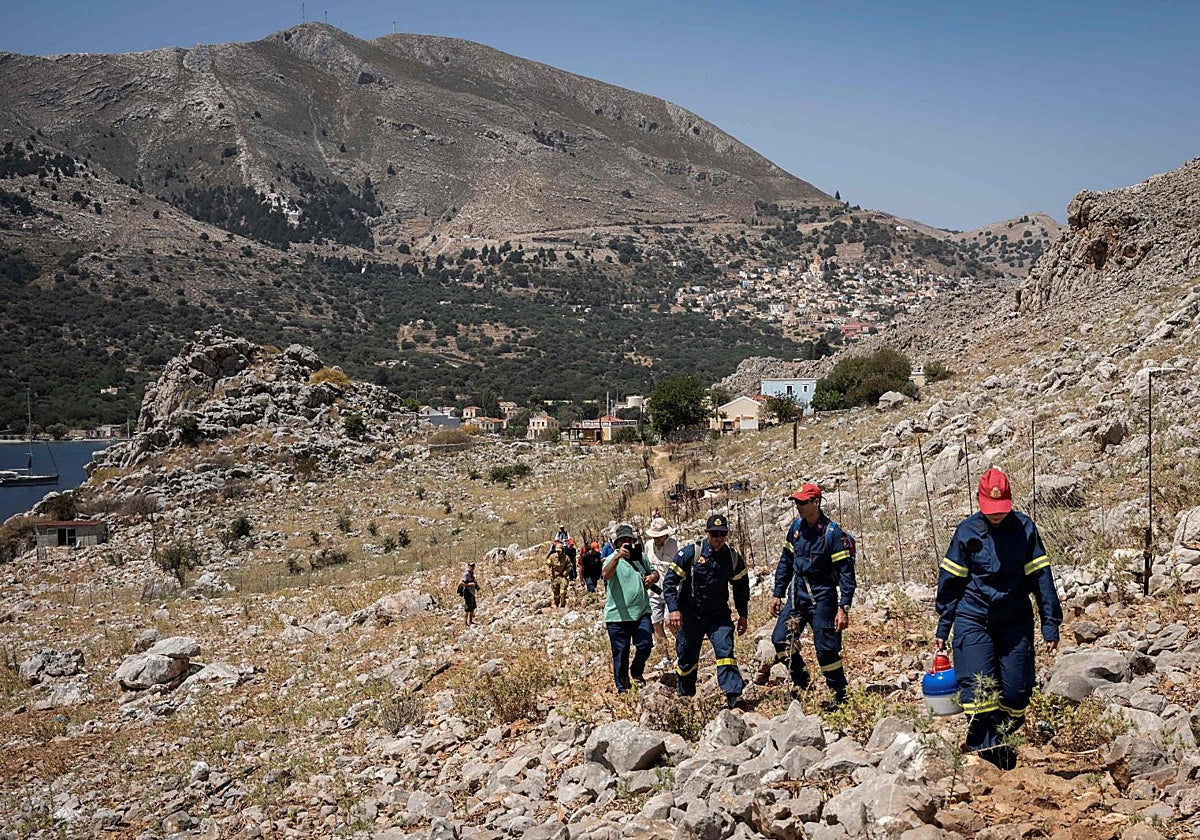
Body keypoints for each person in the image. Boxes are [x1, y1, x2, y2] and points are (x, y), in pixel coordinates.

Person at [936, 467, 1062, 770]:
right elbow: (950, 584)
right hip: (973, 618)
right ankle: (988, 753)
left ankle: (1002, 734)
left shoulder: (1025, 529)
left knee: (1017, 693)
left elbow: (1041, 578)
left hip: (1014, 619)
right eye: (990, 510)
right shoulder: (967, 532)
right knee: (979, 691)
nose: (996, 515)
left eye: (1001, 509)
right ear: (979, 502)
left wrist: (1050, 623)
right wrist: (944, 626)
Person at [768, 483, 857, 707]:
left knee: (826, 651)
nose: (797, 506)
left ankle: (840, 697)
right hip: (797, 596)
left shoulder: (832, 534)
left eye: (802, 502)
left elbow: (847, 573)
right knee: (780, 639)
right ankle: (802, 684)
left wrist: (843, 606)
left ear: (815, 502)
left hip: (822, 597)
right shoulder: (796, 528)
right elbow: (786, 561)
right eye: (796, 502)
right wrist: (778, 593)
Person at [664, 514, 750, 709]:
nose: (719, 538)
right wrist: (674, 610)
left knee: (725, 650)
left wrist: (743, 614)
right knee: (687, 656)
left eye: (722, 534)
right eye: (714, 534)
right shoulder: (691, 554)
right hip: (690, 615)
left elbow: (741, 587)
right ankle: (685, 695)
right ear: (707, 533)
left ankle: (734, 694)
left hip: (717, 615)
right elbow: (669, 582)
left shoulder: (733, 558)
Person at [602, 522, 658, 692]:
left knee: (645, 643)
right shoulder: (612, 558)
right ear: (617, 543)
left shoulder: (640, 557)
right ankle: (623, 688)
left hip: (641, 612)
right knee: (621, 653)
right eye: (622, 540)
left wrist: (652, 578)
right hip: (617, 616)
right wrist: (618, 556)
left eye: (629, 540)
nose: (626, 543)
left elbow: (654, 572)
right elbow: (605, 574)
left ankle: (637, 670)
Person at [643, 516, 679, 669]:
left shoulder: (675, 545)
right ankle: (665, 657)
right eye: (654, 536)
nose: (657, 539)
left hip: (671, 590)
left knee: (670, 622)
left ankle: (683, 649)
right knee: (656, 623)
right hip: (653, 591)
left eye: (659, 536)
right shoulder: (648, 546)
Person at [546, 540, 572, 607]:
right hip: (555, 577)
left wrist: (566, 572)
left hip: (563, 577)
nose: (558, 552)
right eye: (557, 551)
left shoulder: (566, 558)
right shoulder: (552, 557)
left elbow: (570, 566)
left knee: (563, 591)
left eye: (559, 551)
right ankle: (557, 603)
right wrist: (548, 571)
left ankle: (563, 604)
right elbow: (547, 564)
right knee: (556, 592)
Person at [459, 562, 480, 627]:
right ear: (468, 566)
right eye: (471, 565)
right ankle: (465, 622)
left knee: (472, 607)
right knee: (467, 608)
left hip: (472, 593)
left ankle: (470, 621)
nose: (472, 567)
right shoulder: (466, 574)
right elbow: (460, 583)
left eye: (473, 565)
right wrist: (469, 584)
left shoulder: (472, 573)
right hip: (467, 593)